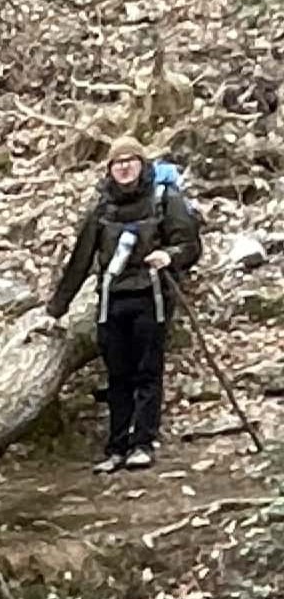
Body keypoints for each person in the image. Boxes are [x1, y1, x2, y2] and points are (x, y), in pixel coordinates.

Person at [48, 139, 202, 472]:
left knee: (147, 372)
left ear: (142, 164)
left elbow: (189, 245)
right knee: (117, 375)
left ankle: (142, 443)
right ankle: (116, 447)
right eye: (117, 163)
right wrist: (55, 310)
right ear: (109, 170)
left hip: (152, 295)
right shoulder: (103, 210)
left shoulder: (164, 199)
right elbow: (80, 261)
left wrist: (169, 255)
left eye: (130, 161)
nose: (124, 167)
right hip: (112, 298)